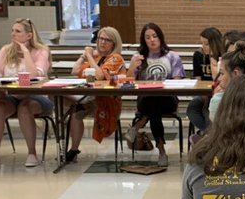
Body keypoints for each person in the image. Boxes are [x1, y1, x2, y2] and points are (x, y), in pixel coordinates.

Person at [0, 18, 52, 169]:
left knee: (25, 108)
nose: (13, 34)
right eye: (12, 31)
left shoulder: (42, 51)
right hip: (11, 95)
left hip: (37, 96)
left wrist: (26, 52)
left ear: (29, 36)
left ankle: (32, 153)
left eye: (17, 31)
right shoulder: (5, 50)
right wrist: (1, 93)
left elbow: (35, 75)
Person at [64, 26, 125, 164]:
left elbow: (99, 75)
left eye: (107, 40)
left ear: (114, 43)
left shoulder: (116, 58)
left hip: (107, 100)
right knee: (76, 111)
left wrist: (90, 56)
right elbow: (74, 71)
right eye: (100, 38)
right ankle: (73, 150)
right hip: (89, 97)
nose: (102, 42)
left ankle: (71, 146)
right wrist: (83, 56)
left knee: (77, 107)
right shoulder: (95, 57)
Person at [127, 21, 184, 166]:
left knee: (154, 105)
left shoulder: (172, 56)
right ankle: (161, 151)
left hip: (168, 99)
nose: (152, 40)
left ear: (160, 37)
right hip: (145, 99)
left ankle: (137, 127)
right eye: (148, 37)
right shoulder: (138, 57)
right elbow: (129, 81)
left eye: (154, 36)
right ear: (144, 40)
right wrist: (132, 66)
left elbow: (177, 82)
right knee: (153, 106)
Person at [206, 42, 245, 122]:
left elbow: (216, 127)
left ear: (236, 74)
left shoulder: (219, 100)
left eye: (222, 73)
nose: (219, 79)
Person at [187, 27, 224, 136]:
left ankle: (207, 136)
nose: (203, 47)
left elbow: (216, 77)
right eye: (202, 43)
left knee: (208, 111)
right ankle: (207, 133)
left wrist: (212, 58)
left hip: (219, 92)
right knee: (192, 108)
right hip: (204, 92)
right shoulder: (198, 55)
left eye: (206, 44)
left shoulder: (223, 57)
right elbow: (198, 78)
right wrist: (202, 94)